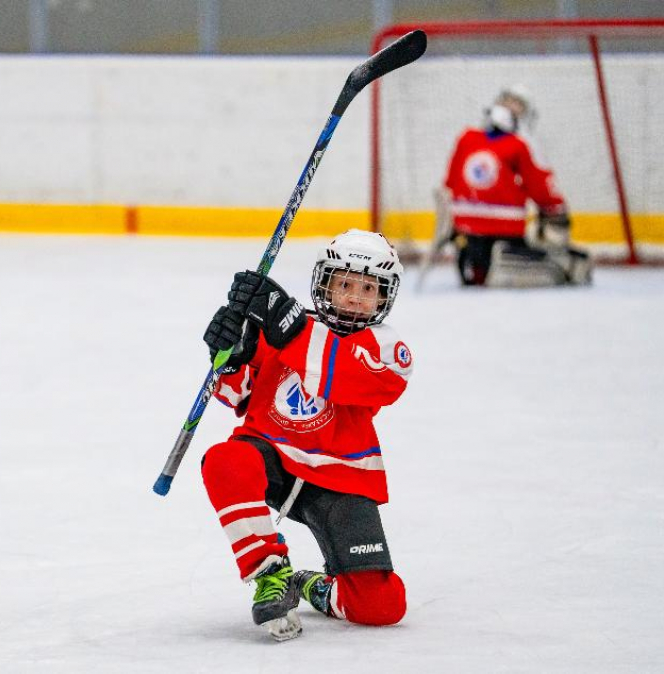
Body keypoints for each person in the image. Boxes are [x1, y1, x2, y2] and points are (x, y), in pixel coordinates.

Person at [200, 229, 413, 641]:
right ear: (325, 284)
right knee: (226, 459)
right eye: (345, 284)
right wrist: (228, 356)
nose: (354, 297)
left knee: (381, 607)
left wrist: (290, 326)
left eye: (369, 288)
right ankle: (269, 571)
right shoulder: (286, 328)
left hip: (342, 480)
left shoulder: (388, 349)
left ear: (385, 296)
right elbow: (238, 394)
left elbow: (345, 376)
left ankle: (315, 586)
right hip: (274, 458)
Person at [441, 85, 591, 287]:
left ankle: (480, 266)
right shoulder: (517, 145)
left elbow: (449, 182)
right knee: (556, 242)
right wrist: (556, 205)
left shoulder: (466, 138)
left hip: (465, 234)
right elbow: (539, 189)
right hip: (505, 231)